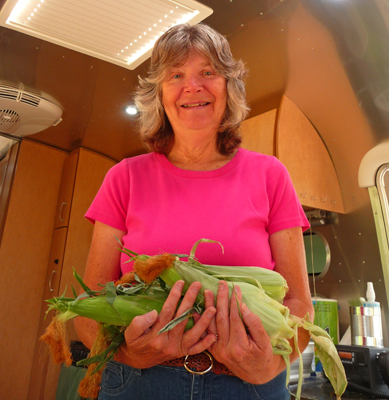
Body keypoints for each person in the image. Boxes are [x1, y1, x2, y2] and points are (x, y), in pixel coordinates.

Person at [75, 23, 313, 400]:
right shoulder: (124, 178)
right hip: (140, 382)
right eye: (176, 75)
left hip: (248, 384)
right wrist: (130, 354)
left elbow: (299, 305)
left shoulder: (271, 176)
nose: (193, 86)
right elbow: (90, 308)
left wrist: (269, 367)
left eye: (208, 72)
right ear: (159, 93)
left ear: (229, 87)